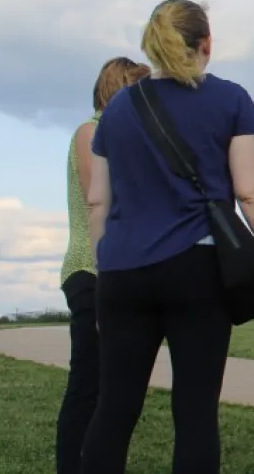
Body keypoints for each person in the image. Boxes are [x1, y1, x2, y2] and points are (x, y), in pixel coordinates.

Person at [81, 0, 254, 474]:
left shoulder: (118, 109)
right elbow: (249, 193)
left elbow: (97, 202)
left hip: (122, 273)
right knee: (195, 411)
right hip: (196, 267)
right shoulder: (230, 99)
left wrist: (104, 278)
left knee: (115, 409)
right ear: (207, 43)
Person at [55, 57, 147, 474]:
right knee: (88, 384)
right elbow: (103, 199)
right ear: (119, 89)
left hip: (121, 271)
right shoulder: (90, 132)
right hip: (90, 270)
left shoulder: (128, 139)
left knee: (117, 390)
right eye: (139, 90)